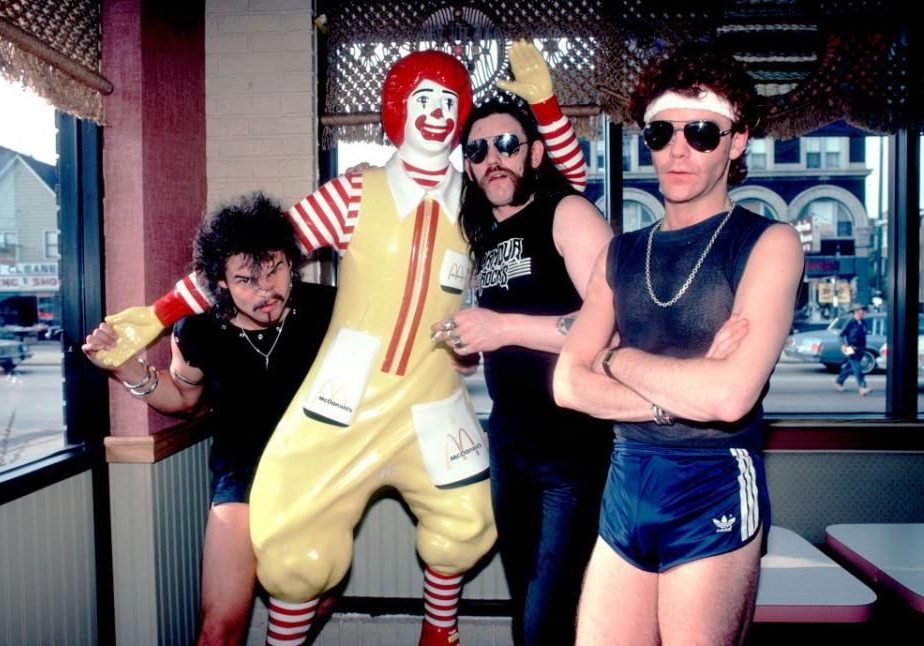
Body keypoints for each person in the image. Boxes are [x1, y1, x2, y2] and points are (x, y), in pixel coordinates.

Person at [91, 46, 588, 646]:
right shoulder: (356, 191)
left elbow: (559, 189)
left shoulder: (476, 201)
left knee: (467, 520)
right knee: (297, 543)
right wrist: (157, 314)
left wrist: (547, 107)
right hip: (345, 395)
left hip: (429, 396)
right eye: (423, 100)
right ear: (398, 109)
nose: (436, 113)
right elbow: (253, 249)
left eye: (449, 102)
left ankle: (439, 633)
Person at [553, 43, 804, 645]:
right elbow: (566, 384)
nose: (678, 149)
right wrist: (675, 392)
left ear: (736, 141)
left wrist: (617, 359)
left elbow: (727, 397)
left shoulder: (769, 243)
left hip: (713, 481)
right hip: (625, 481)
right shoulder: (621, 252)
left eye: (700, 132)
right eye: (661, 132)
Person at [82, 192, 335, 645]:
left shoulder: (326, 310)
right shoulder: (198, 330)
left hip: (320, 474)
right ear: (220, 283)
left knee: (313, 603)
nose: (266, 291)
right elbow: (182, 397)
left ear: (290, 262)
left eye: (275, 270)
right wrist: (125, 368)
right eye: (245, 280)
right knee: (217, 630)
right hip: (240, 475)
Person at [430, 43, 613, 644]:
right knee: (525, 612)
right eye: (478, 151)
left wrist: (503, 327)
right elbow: (508, 338)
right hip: (509, 446)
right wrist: (469, 345)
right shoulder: (486, 235)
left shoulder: (568, 212)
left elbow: (610, 324)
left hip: (573, 452)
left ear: (534, 153)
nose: (492, 160)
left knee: (547, 623)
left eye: (507, 145)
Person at [835, 303, 871, 395]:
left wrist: (864, 350)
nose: (861, 313)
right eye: (859, 311)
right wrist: (843, 345)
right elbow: (841, 334)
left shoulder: (863, 323)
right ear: (854, 313)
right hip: (849, 348)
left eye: (862, 311)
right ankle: (862, 387)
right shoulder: (850, 322)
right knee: (858, 368)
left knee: (850, 366)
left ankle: (839, 382)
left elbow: (864, 337)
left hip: (860, 349)